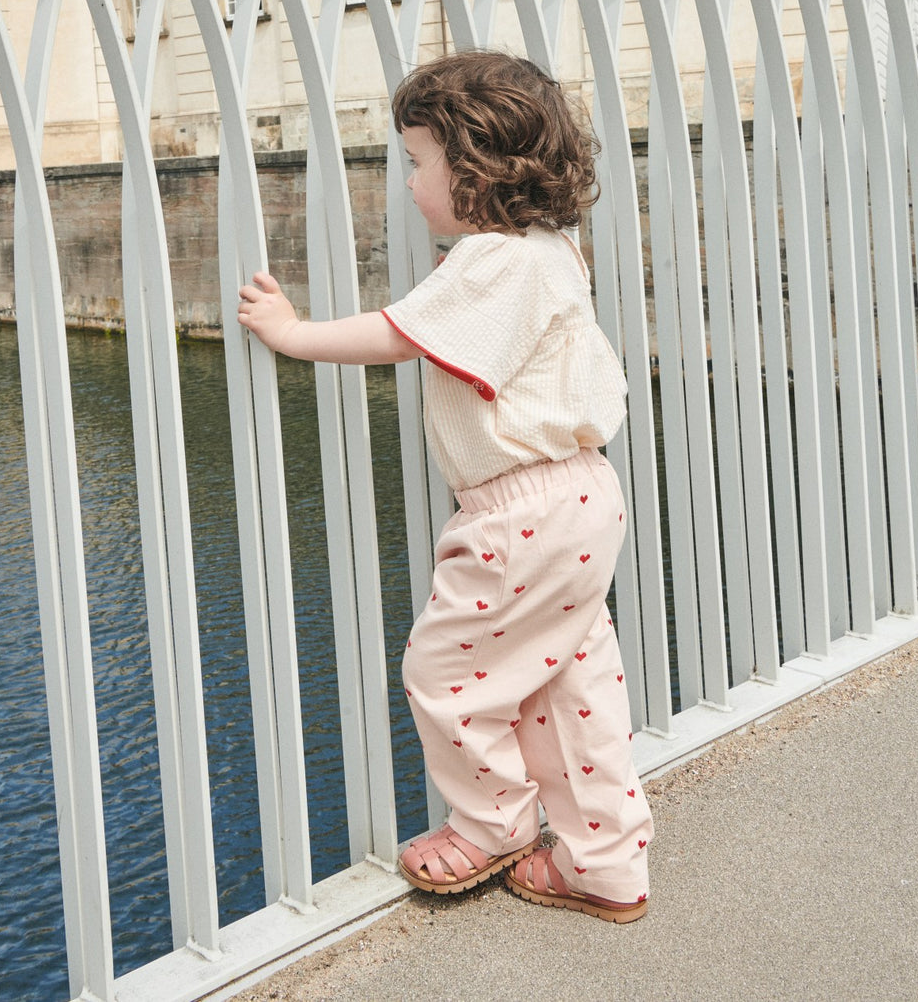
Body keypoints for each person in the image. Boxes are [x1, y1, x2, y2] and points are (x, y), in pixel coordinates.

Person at [238, 49, 653, 921]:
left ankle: (493, 823)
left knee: (446, 672)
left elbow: (400, 333)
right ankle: (605, 862)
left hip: (520, 512)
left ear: (477, 170)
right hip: (579, 498)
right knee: (567, 685)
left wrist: (290, 330)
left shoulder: (493, 259)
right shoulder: (549, 248)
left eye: (418, 161)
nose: (411, 181)